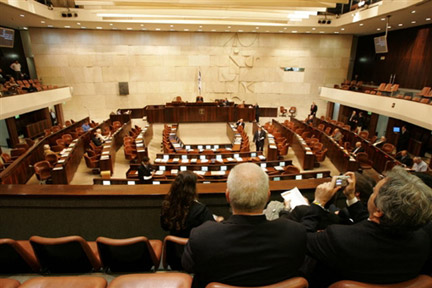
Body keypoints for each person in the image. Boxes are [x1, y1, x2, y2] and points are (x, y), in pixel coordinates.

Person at [301, 167, 432, 287]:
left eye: (374, 192)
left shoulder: (339, 237)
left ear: (379, 211)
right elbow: (372, 227)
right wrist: (351, 197)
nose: (371, 194)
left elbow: (299, 239)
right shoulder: (424, 239)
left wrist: (319, 202)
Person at [182, 163, 306, 288]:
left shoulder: (203, 235)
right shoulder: (295, 233)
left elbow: (188, 266)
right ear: (268, 196)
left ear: (228, 196)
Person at [161, 171, 221, 269]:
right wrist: (218, 220)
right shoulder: (200, 209)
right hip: (195, 258)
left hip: (174, 259)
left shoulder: (166, 206)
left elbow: (164, 226)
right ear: (192, 189)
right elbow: (211, 231)